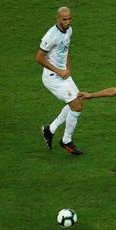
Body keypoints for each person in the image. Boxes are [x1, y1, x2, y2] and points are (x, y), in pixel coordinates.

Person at [36, 7, 83, 155]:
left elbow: (65, 49)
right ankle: (66, 141)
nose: (68, 22)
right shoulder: (51, 36)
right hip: (52, 78)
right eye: (64, 19)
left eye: (69, 19)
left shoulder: (69, 30)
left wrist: (68, 67)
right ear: (58, 18)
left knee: (77, 101)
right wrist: (58, 71)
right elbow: (39, 58)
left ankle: (50, 129)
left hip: (63, 75)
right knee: (77, 106)